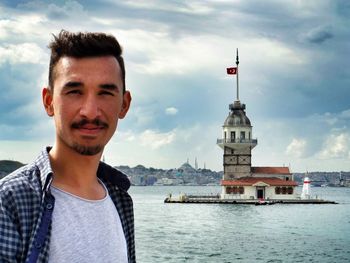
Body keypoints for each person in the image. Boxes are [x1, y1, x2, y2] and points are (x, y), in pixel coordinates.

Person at [0, 30, 135, 262]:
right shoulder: (10, 202)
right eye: (74, 92)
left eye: (105, 93)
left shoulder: (120, 200)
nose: (90, 111)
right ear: (48, 101)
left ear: (124, 105)